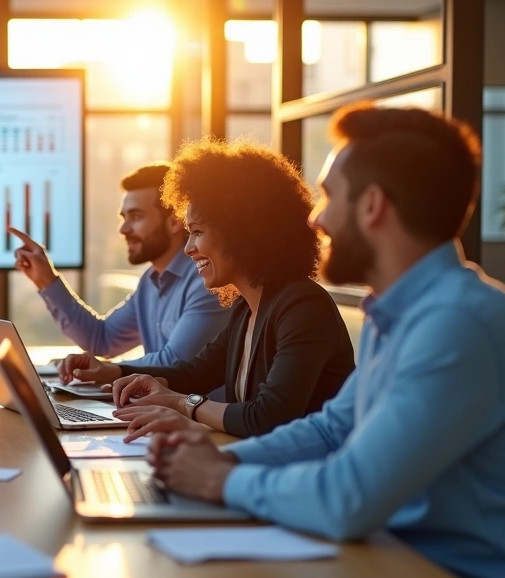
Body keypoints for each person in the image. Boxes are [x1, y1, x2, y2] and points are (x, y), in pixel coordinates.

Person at [148, 105, 505, 578]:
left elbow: (348, 497)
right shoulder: (394, 314)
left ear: (373, 205)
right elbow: (334, 429)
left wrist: (218, 481)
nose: (316, 218)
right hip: (393, 560)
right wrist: (227, 461)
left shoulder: (460, 323)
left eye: (330, 196)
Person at [60, 140, 355, 440]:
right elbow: (194, 374)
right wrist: (120, 375)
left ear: (241, 231)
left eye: (197, 232)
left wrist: (181, 404)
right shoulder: (246, 309)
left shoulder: (303, 307)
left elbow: (267, 417)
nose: (188, 249)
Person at [11, 162, 228, 365]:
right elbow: (102, 339)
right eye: (123, 218)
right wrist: (47, 279)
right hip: (157, 406)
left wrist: (103, 371)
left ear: (174, 221)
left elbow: (175, 362)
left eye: (136, 217)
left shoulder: (206, 279)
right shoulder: (150, 282)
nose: (123, 229)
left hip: (191, 406)